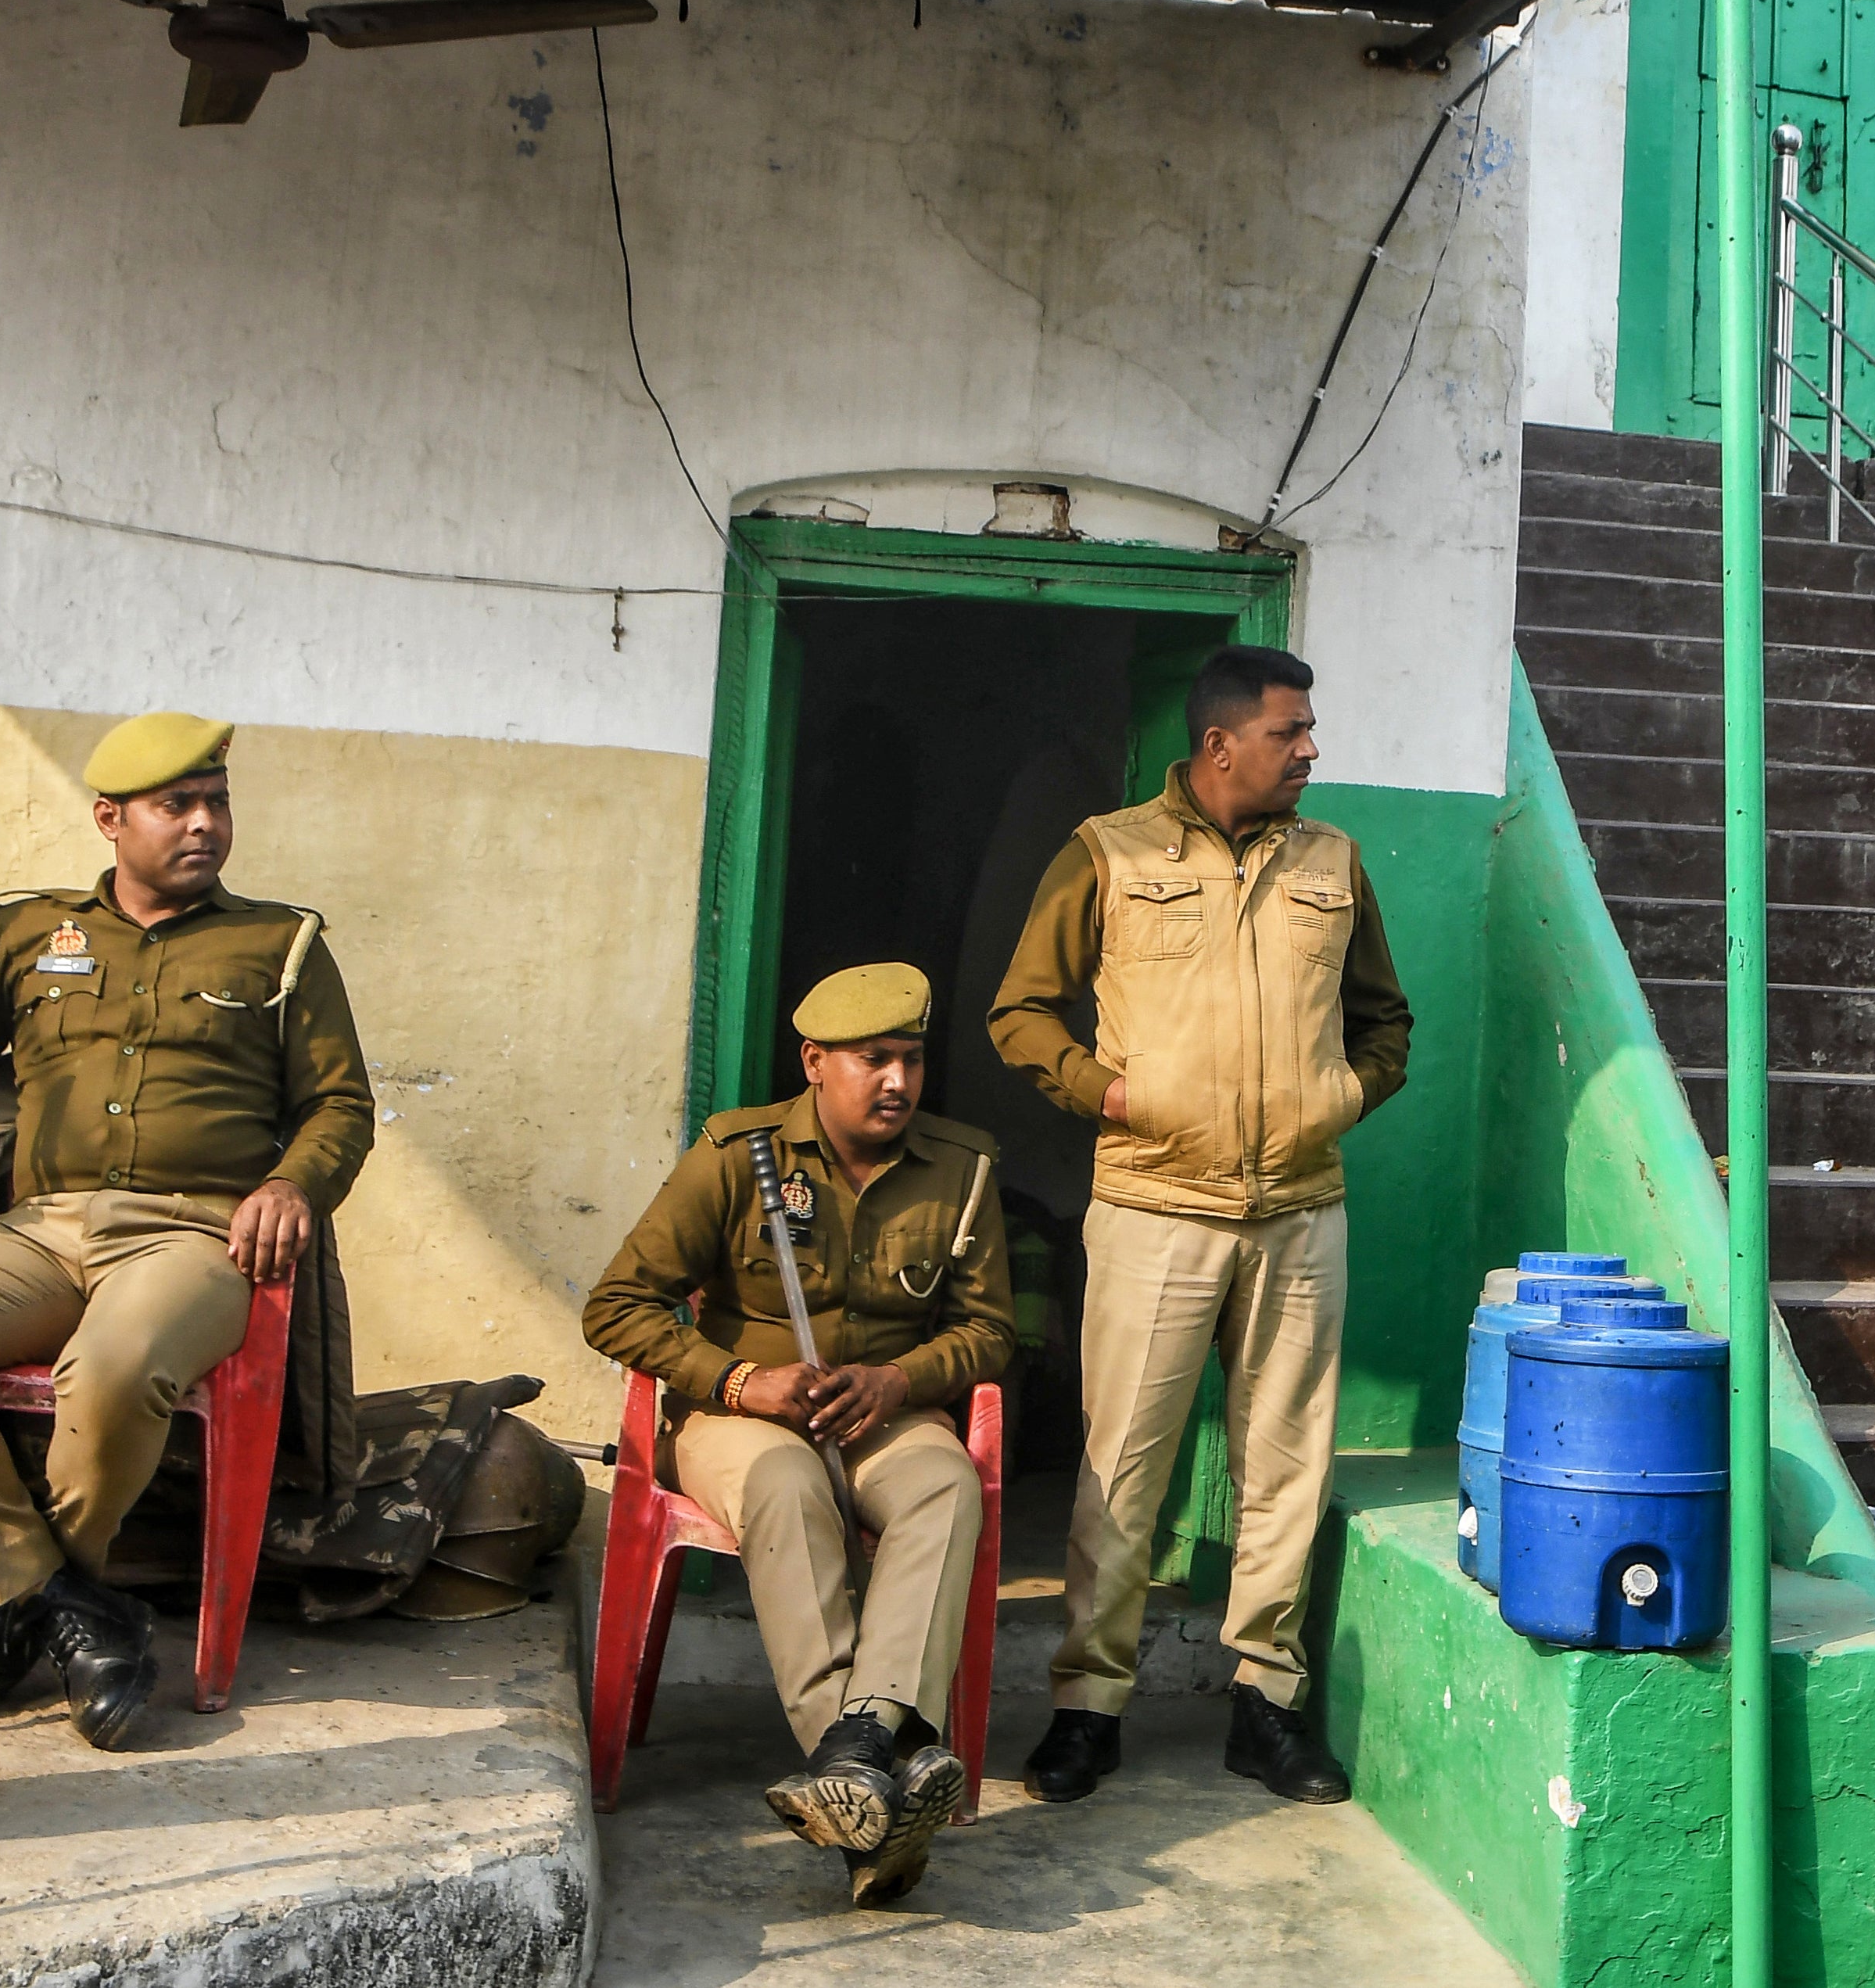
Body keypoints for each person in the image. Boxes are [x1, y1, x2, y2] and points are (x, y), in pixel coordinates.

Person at [0, 712, 370, 1751]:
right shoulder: (26, 931)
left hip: (196, 1234)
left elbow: (339, 1106)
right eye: (177, 805)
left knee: (117, 1366)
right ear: (109, 819)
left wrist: (294, 1185)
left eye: (216, 802)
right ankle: (66, 1608)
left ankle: (19, 1609)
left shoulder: (280, 944)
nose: (205, 823)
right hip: (39, 1226)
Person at [991, 644, 1406, 1810]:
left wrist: (1344, 1096)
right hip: (1152, 1204)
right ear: (1221, 742)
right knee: (1123, 1463)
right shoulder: (1109, 851)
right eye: (1292, 731)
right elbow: (1019, 1011)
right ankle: (1086, 1707)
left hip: (1299, 1207)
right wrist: (1105, 1093)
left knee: (1286, 1462)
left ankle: (1264, 1708)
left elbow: (1385, 1018)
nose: (1311, 749)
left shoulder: (1334, 861)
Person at [583, 963, 1011, 1906]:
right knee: (784, 1482)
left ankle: (852, 1759)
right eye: (873, 1060)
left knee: (945, 1486)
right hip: (745, 1418)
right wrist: (738, 1377)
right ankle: (880, 1761)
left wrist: (902, 1376)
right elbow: (615, 1306)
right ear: (815, 1062)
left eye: (910, 1059)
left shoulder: (963, 1167)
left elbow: (990, 1331)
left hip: (887, 1415)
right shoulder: (738, 1155)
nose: (897, 1081)